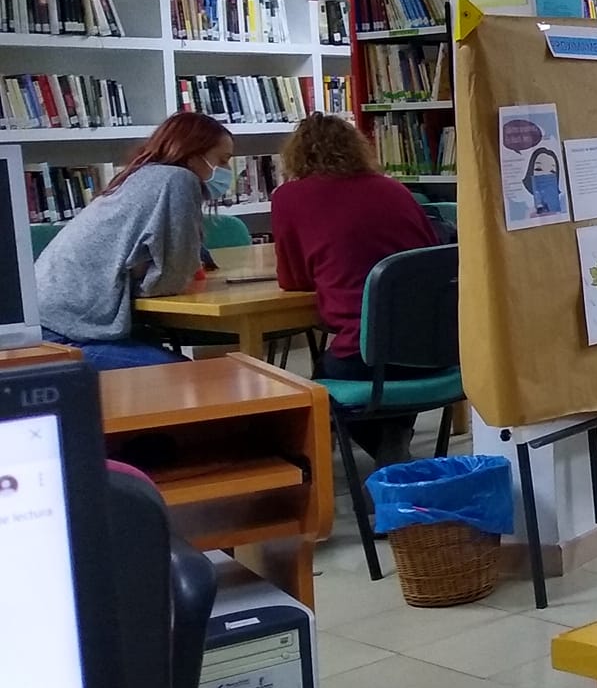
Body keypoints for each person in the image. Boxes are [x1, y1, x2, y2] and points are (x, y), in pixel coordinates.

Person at [271, 114, 441, 457]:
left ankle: (377, 448)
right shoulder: (395, 189)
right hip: (434, 349)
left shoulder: (289, 198)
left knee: (320, 375)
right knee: (387, 364)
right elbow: (430, 256)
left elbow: (294, 280)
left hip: (366, 355)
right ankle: (394, 436)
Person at [35, 110, 233, 371]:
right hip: (66, 334)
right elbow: (172, 279)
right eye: (223, 160)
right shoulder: (178, 180)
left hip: (50, 320)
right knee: (193, 378)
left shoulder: (142, 175)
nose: (228, 170)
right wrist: (150, 280)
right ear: (194, 153)